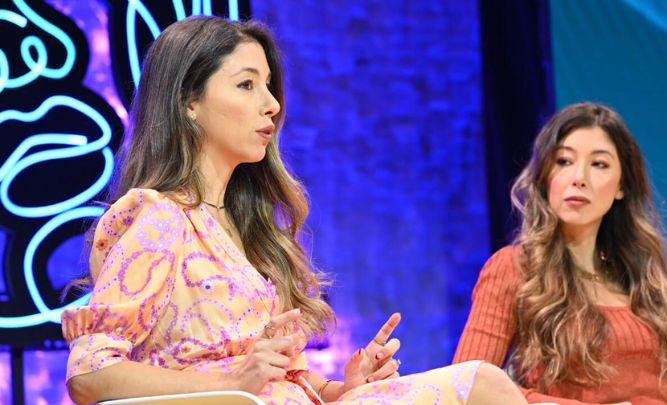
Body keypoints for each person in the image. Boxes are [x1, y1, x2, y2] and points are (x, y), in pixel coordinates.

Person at [60, 16, 526, 405]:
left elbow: (287, 378)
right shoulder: (159, 218)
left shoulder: (246, 228)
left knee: (486, 386)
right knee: (482, 385)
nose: (272, 105)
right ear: (188, 102)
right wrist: (228, 383)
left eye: (268, 86)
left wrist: (347, 384)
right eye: (246, 85)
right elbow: (89, 372)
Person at [454, 102, 667, 404]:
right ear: (545, 176)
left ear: (621, 186)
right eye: (564, 161)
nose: (579, 177)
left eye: (599, 164)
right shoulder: (515, 268)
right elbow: (468, 386)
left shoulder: (637, 274)